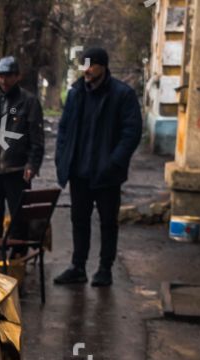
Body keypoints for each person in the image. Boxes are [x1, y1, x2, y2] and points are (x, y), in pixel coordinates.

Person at [52, 46, 141, 288]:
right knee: (79, 220)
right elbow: (64, 130)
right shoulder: (76, 93)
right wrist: (62, 158)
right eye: (84, 65)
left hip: (107, 175)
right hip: (79, 172)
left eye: (91, 65)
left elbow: (131, 133)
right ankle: (78, 266)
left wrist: (113, 163)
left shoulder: (121, 95)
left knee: (107, 222)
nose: (87, 70)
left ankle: (105, 268)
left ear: (103, 66)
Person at [0, 55, 44, 240]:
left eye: (7, 75)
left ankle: (18, 258)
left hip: (18, 170)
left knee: (19, 219)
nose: (3, 80)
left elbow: (36, 138)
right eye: (0, 76)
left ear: (17, 76)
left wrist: (32, 165)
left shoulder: (28, 102)